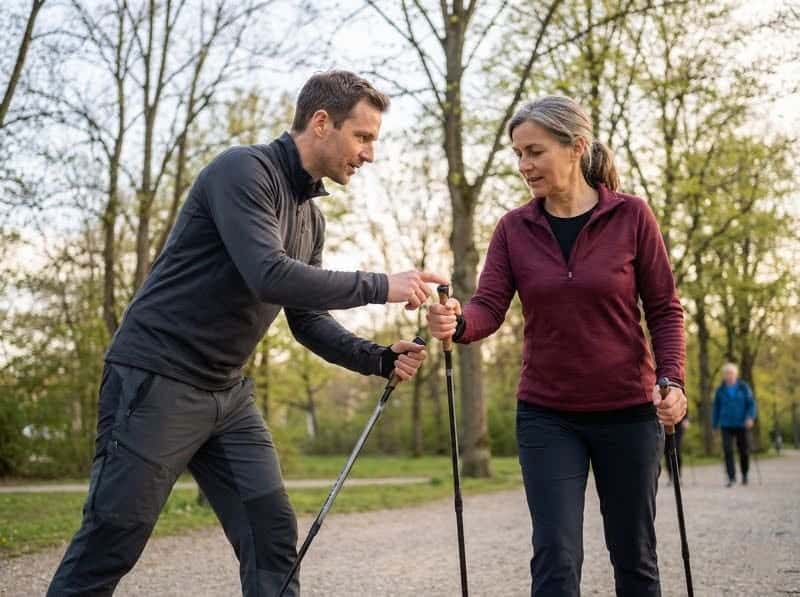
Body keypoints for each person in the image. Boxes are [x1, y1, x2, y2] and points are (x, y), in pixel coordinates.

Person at [48, 71, 447, 597]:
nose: (369, 154)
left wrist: (375, 358)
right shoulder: (243, 171)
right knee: (113, 537)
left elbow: (305, 318)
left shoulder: (311, 217)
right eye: (364, 137)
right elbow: (269, 273)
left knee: (271, 534)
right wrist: (381, 285)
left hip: (227, 396)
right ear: (322, 123)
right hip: (156, 380)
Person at [428, 96, 687, 597]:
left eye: (535, 152)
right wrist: (457, 323)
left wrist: (671, 380)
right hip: (548, 415)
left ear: (576, 149)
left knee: (635, 558)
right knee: (555, 557)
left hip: (630, 412)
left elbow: (664, 309)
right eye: (518, 154)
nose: (524, 166)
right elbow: (487, 308)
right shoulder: (514, 228)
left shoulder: (632, 216)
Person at [712, 362, 757, 487]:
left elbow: (751, 404)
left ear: (736, 374)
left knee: (744, 450)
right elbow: (716, 408)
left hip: (742, 423)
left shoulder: (743, 387)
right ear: (724, 375)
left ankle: (745, 474)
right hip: (726, 424)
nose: (729, 376)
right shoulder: (720, 390)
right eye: (726, 373)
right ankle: (731, 477)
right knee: (727, 450)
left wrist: (750, 417)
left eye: (731, 373)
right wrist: (714, 424)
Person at [664, 414, 689, 484]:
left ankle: (678, 475)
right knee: (667, 451)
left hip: (677, 424)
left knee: (676, 449)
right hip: (664, 424)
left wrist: (686, 418)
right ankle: (670, 476)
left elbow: (684, 404)